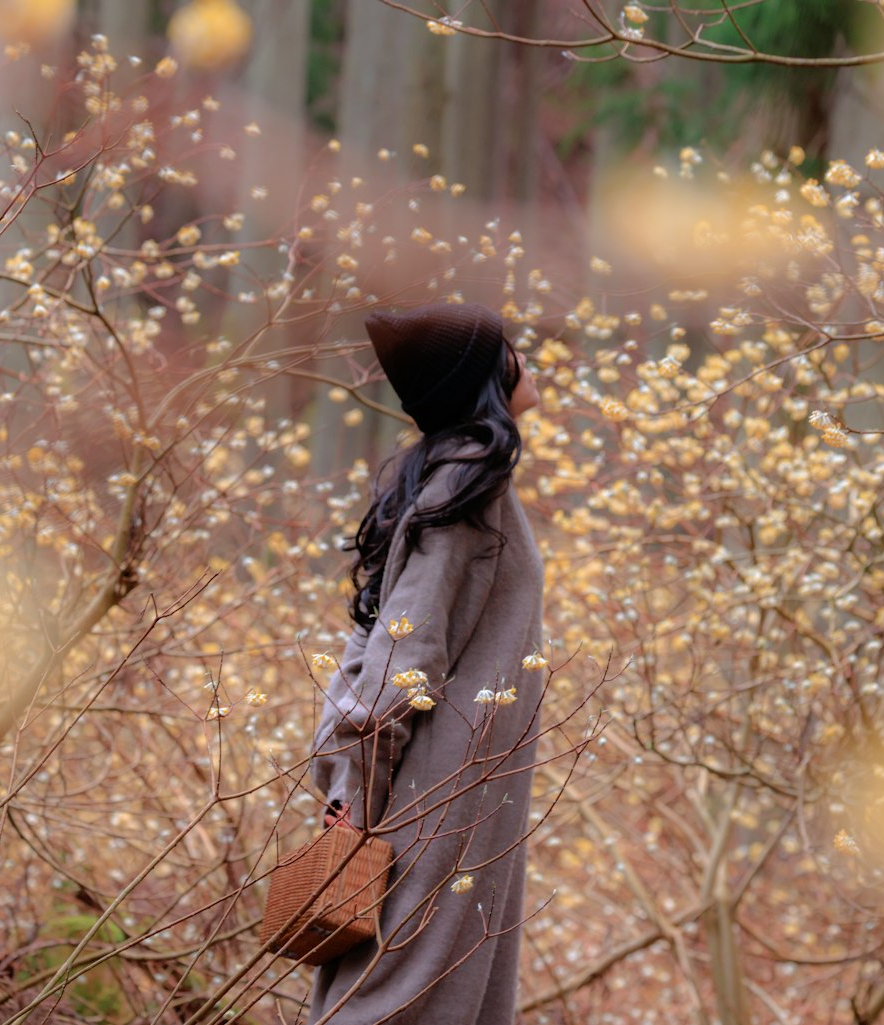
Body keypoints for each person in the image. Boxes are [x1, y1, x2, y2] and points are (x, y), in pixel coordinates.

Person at [307, 302, 544, 1024]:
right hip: (430, 806)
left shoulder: (460, 481)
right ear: (483, 378)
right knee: (389, 1003)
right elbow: (397, 658)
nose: (527, 357)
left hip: (462, 800)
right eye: (508, 348)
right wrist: (355, 798)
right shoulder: (464, 491)